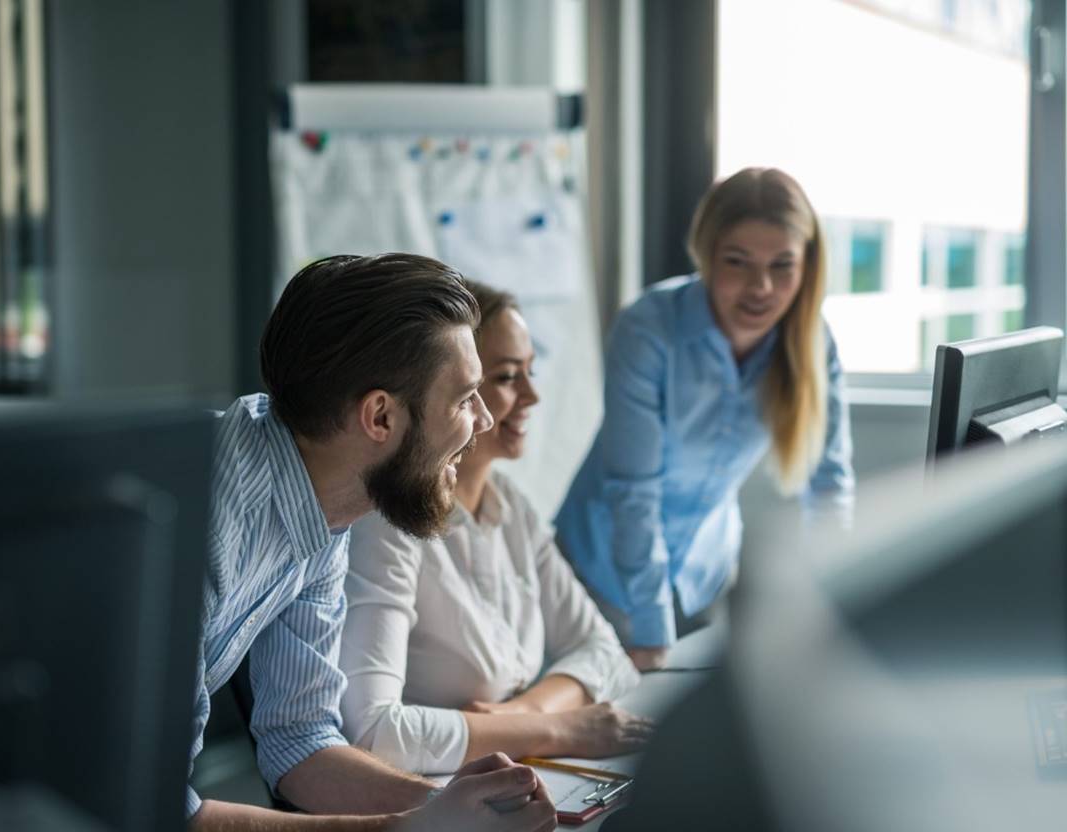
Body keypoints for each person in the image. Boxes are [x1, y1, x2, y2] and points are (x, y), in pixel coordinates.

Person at [188, 254, 557, 832]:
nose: (484, 421)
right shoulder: (203, 519)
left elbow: (300, 740)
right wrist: (408, 829)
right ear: (380, 416)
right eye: (464, 399)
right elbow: (157, 810)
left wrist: (443, 806)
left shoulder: (327, 503)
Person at [339, 280, 649, 776]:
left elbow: (604, 651)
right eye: (506, 377)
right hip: (430, 791)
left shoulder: (510, 507)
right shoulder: (387, 522)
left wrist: (519, 715)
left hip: (512, 767)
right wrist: (559, 728)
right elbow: (375, 737)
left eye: (530, 371)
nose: (531, 395)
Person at [556, 167, 855, 671]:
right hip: (600, 575)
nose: (761, 288)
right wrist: (652, 631)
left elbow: (828, 485)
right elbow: (634, 490)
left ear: (807, 267)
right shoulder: (649, 327)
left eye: (783, 265)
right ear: (707, 255)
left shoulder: (812, 342)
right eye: (738, 262)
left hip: (704, 574)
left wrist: (840, 606)